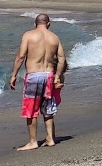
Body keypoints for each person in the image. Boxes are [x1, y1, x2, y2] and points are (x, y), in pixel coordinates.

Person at [8, 13, 65, 151]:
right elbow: (62, 58)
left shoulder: (28, 35)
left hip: (34, 75)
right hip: (49, 75)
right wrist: (57, 75)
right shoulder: (54, 37)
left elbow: (21, 56)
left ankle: (33, 141)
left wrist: (14, 75)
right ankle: (50, 138)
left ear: (35, 24)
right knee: (47, 108)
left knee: (31, 109)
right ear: (48, 24)